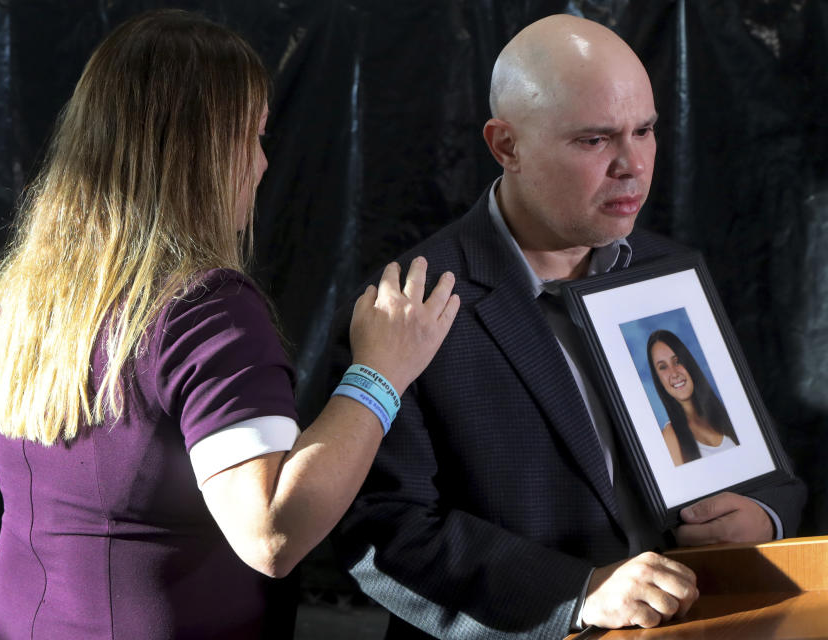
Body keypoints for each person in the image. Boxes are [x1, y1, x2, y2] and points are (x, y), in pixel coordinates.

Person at [0, 10, 459, 640]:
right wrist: (380, 373)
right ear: (198, 149)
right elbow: (272, 532)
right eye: (252, 136)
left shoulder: (30, 289)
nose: (260, 165)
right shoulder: (205, 308)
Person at [332, 14, 806, 639]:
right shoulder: (411, 303)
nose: (632, 165)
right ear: (506, 146)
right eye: (594, 141)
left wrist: (763, 515)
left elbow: (753, 464)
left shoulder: (666, 270)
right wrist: (578, 595)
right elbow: (385, 530)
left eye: (645, 131)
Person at [647, 329, 740, 465]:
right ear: (658, 379)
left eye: (677, 361)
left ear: (688, 363)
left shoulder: (726, 413)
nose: (674, 373)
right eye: (663, 367)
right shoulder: (670, 436)